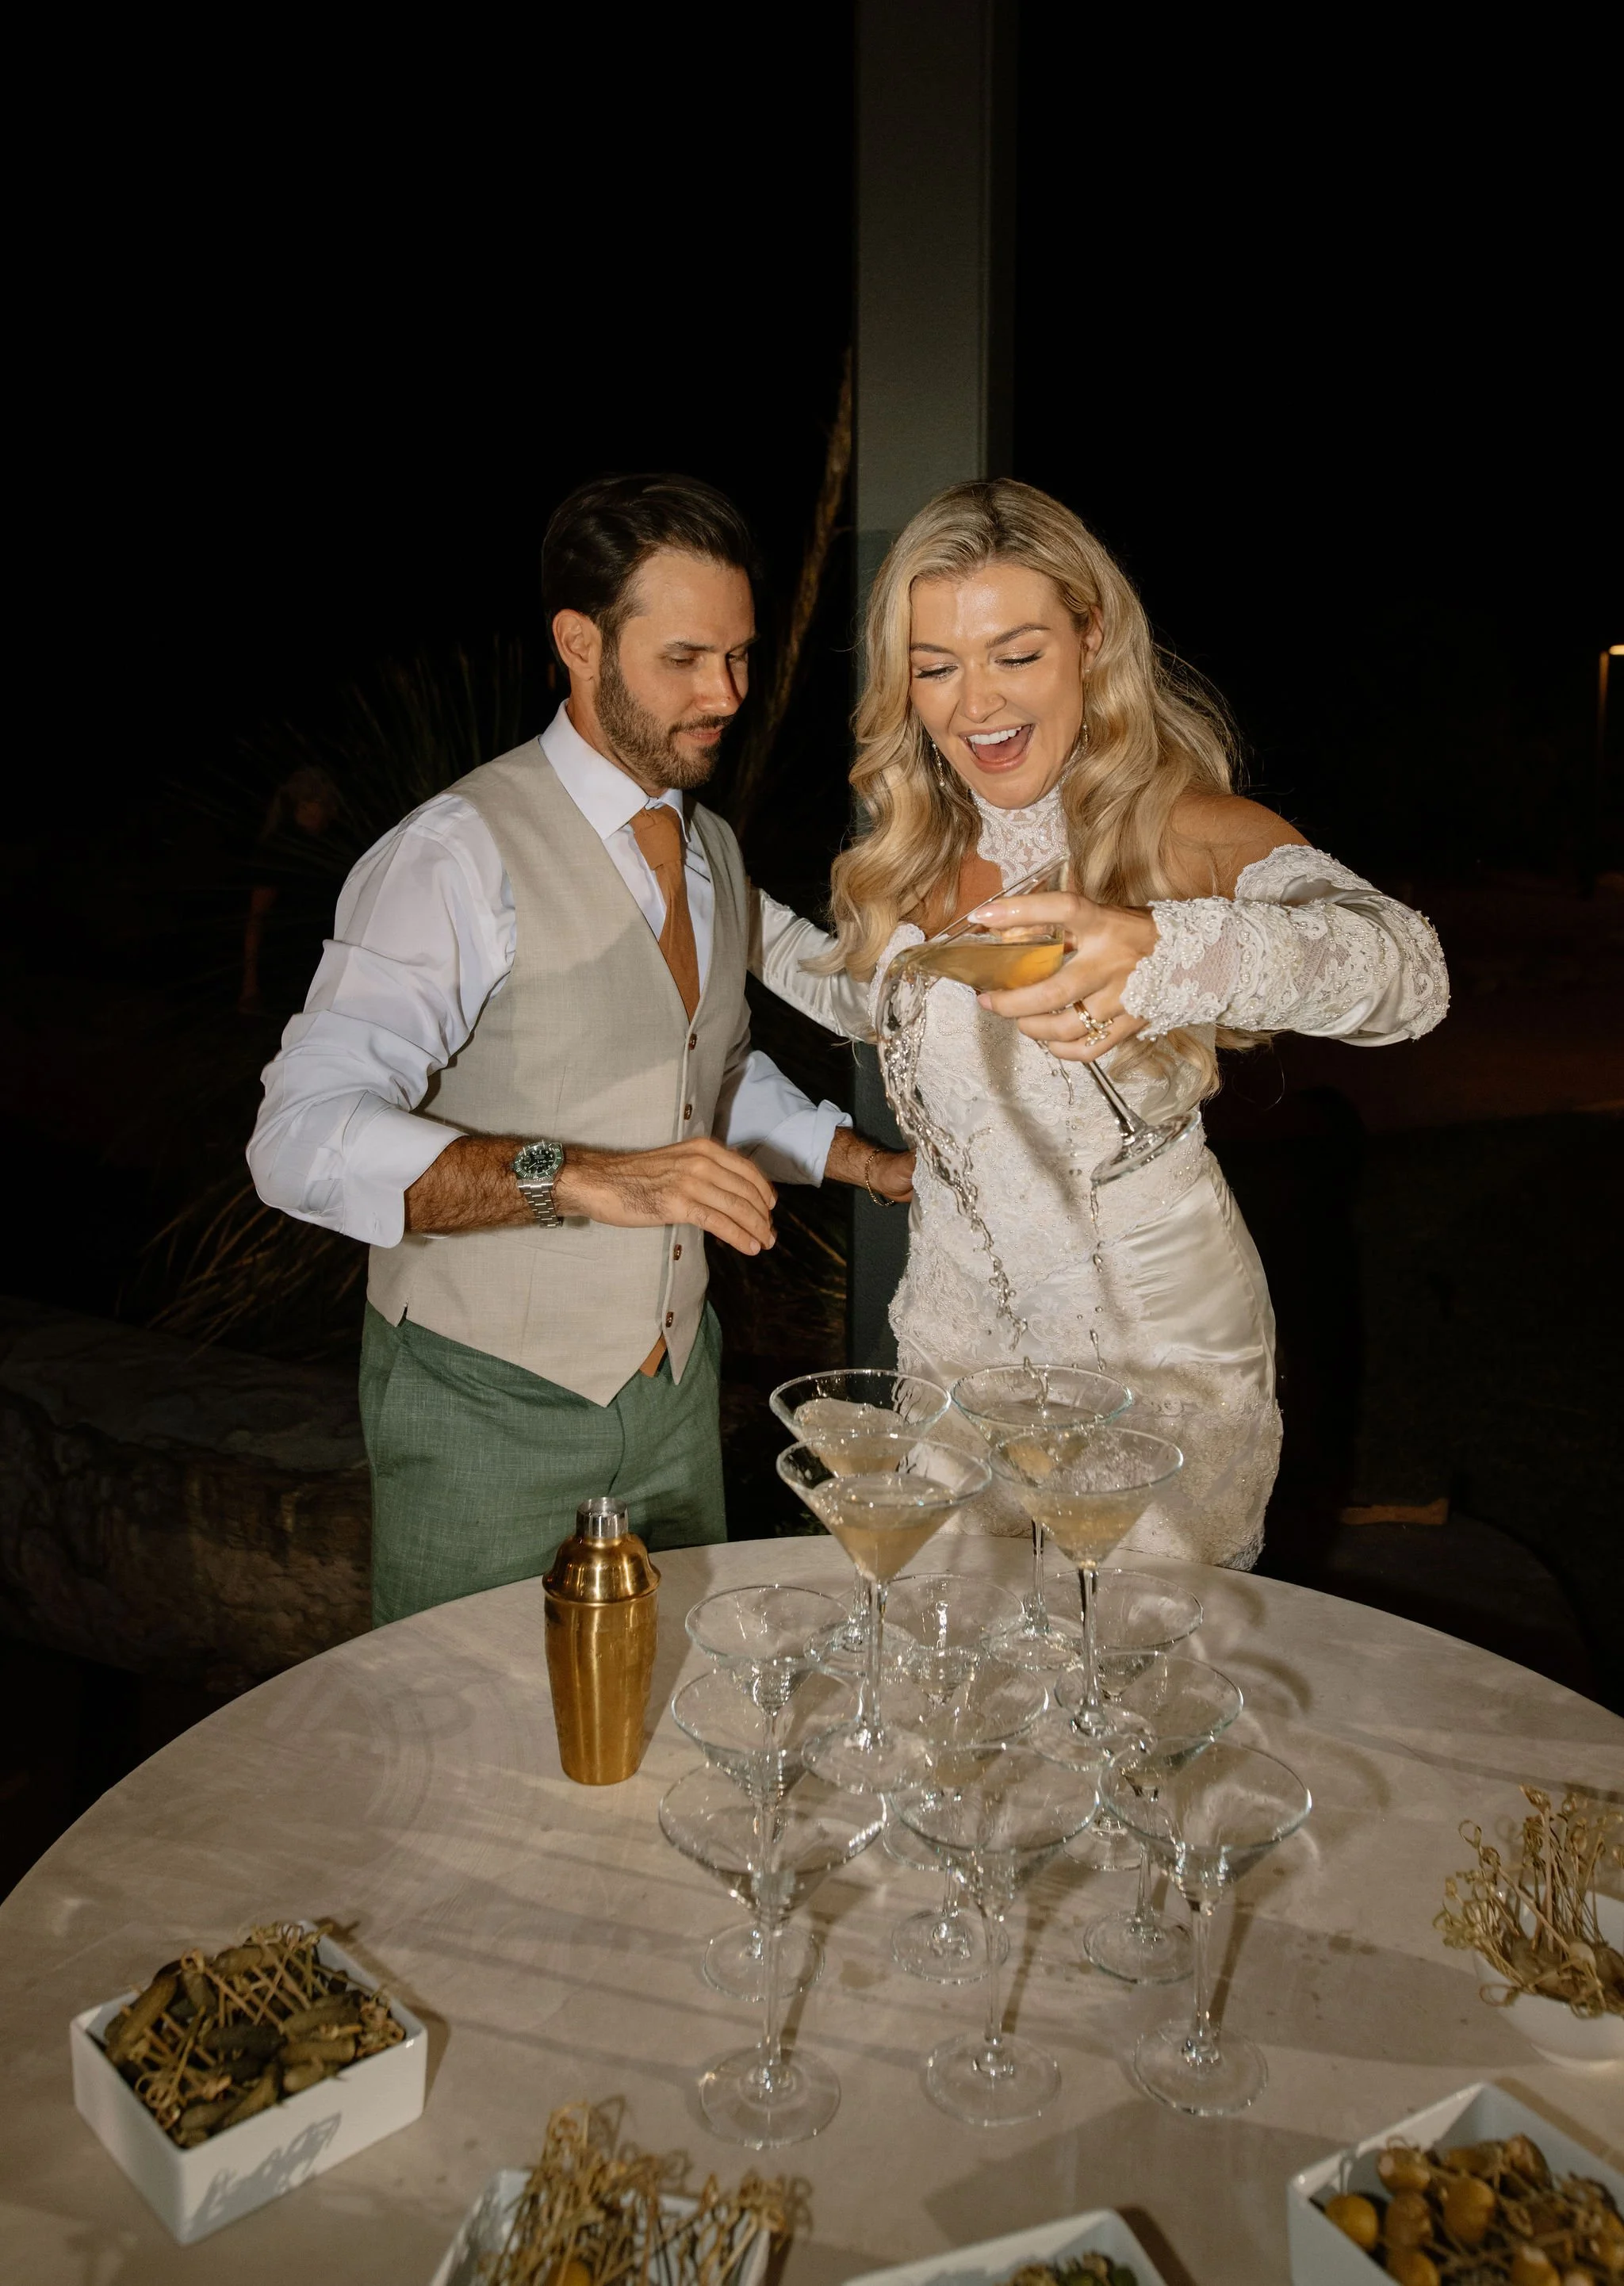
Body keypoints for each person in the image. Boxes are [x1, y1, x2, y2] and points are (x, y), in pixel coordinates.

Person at [248, 473, 913, 1622]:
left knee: (669, 1727)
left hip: (671, 1394)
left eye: (742, 658)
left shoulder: (708, 849)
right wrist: (592, 1178)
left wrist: (870, 1166)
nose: (728, 694)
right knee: (477, 1745)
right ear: (579, 642)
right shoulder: (456, 854)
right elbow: (299, 1139)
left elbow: (703, 1068)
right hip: (484, 1402)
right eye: (687, 660)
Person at [751, 481, 1448, 1568]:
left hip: (1152, 1363)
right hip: (948, 1350)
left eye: (1016, 654)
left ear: (1092, 635)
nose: (975, 704)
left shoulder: (1179, 828)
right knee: (959, 1678)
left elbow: (1407, 970)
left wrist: (1168, 950)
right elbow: (872, 1001)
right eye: (936, 666)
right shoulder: (917, 857)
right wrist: (718, 900)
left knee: (1129, 1693)